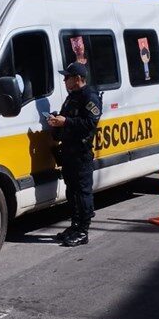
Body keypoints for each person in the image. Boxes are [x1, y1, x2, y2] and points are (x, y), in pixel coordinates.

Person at [47, 62, 102, 247]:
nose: (64, 80)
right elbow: (67, 119)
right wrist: (56, 120)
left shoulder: (90, 96)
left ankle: (83, 231)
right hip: (69, 152)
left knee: (83, 192)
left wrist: (66, 122)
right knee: (72, 192)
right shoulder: (72, 97)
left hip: (81, 153)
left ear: (78, 79)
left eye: (67, 77)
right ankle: (75, 225)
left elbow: (90, 123)